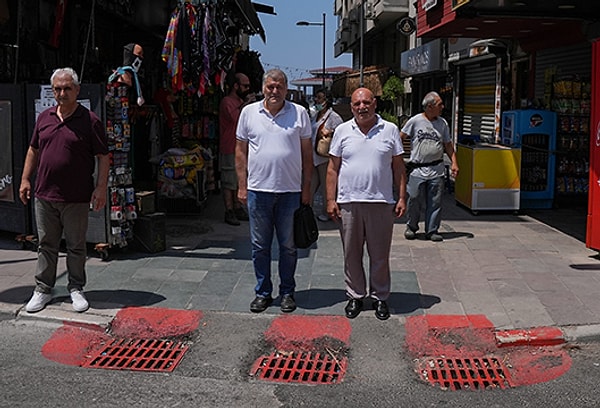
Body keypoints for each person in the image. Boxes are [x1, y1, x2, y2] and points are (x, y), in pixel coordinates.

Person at [19, 67, 109, 313]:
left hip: (76, 197)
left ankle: (76, 288)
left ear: (77, 90)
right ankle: (43, 290)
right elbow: (33, 150)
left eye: (67, 88)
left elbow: (103, 156)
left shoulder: (90, 121)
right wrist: (25, 179)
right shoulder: (44, 118)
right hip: (45, 194)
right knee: (46, 244)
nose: (61, 93)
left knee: (76, 245)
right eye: (57, 89)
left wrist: (100, 188)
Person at [235, 68, 313, 314]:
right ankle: (263, 292)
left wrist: (307, 188)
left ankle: (287, 292)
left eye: (279, 86)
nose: (275, 91)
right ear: (263, 88)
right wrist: (241, 185)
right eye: (270, 86)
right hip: (258, 191)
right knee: (260, 246)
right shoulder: (248, 113)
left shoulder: (299, 113)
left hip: (290, 191)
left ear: (286, 89)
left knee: (289, 247)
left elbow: (307, 156)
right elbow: (240, 152)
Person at [326, 87, 407, 320]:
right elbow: (333, 168)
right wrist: (331, 200)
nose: (362, 107)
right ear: (351, 107)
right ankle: (355, 295)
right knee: (351, 253)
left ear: (375, 104)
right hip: (349, 202)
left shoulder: (390, 130)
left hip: (381, 202)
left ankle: (380, 297)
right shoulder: (342, 130)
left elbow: (399, 167)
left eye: (366, 102)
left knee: (379, 254)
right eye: (356, 104)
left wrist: (401, 197)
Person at [400, 91, 459, 242]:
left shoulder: (442, 123)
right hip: (417, 169)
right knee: (413, 198)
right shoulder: (415, 121)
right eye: (439, 105)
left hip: (436, 169)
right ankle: (411, 226)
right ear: (430, 106)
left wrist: (454, 162)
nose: (442, 107)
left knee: (435, 201)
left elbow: (448, 144)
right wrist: (397, 158)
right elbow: (400, 138)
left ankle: (432, 230)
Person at [219, 72, 253, 226]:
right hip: (229, 146)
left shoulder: (240, 101)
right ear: (236, 86)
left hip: (242, 148)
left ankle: (238, 207)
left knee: (239, 179)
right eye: (245, 85)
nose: (247, 88)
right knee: (228, 180)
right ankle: (229, 210)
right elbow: (235, 119)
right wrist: (246, 105)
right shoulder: (227, 101)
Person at [310, 89, 343, 222]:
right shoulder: (315, 115)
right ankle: (307, 209)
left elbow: (341, 134)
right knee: (310, 185)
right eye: (316, 98)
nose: (317, 101)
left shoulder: (334, 117)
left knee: (326, 186)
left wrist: (329, 133)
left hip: (325, 157)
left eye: (320, 98)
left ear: (326, 100)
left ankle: (328, 211)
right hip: (314, 155)